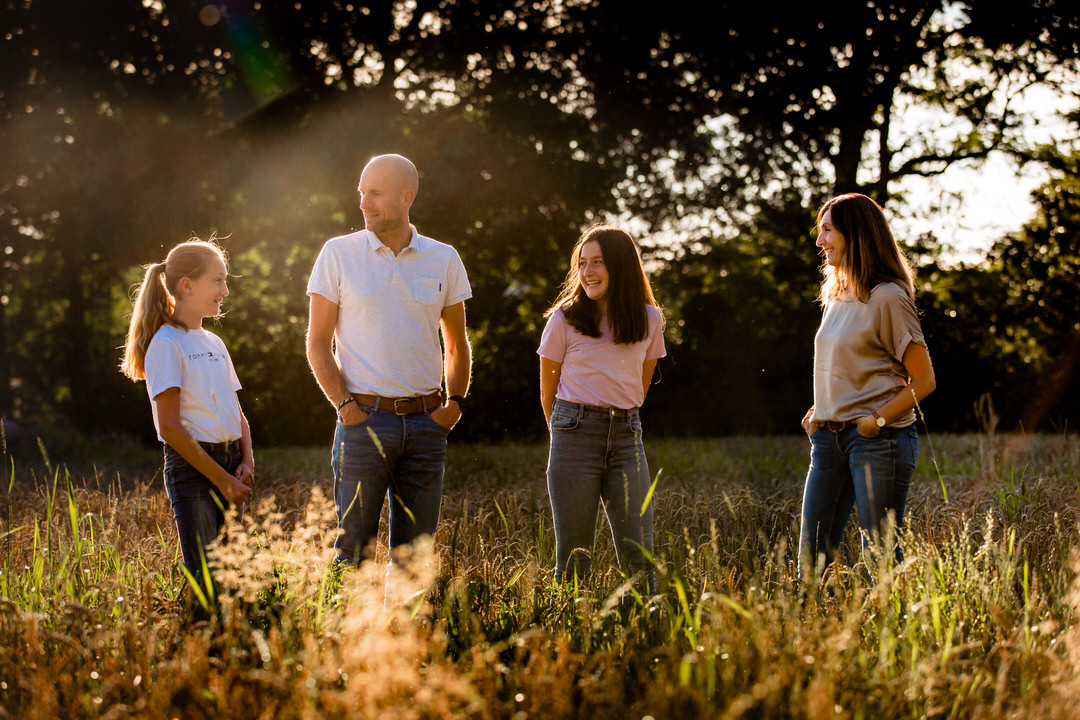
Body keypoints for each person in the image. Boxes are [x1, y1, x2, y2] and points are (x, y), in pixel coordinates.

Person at [306, 153, 472, 567]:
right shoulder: (337, 253)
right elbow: (317, 342)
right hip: (363, 422)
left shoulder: (444, 258)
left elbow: (457, 344)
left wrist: (455, 404)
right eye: (361, 193)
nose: (363, 203)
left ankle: (405, 633)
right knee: (352, 554)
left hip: (426, 424)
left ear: (406, 196)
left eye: (375, 194)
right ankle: (346, 632)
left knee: (414, 558)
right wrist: (345, 407)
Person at [799, 193, 937, 581]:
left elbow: (924, 380)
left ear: (855, 234)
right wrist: (821, 408)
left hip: (879, 440)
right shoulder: (837, 295)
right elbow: (844, 363)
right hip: (828, 439)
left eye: (827, 230)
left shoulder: (888, 296)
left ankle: (891, 636)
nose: (819, 240)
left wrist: (875, 420)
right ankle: (815, 637)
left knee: (878, 556)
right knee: (812, 561)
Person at [538, 224, 666, 589]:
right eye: (582, 263)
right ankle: (569, 639)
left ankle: (643, 637)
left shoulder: (649, 319)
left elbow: (641, 385)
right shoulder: (564, 320)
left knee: (639, 557)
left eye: (598, 262)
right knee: (575, 557)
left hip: (628, 437)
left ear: (621, 266)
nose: (587, 272)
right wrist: (563, 433)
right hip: (573, 435)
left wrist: (619, 416)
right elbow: (548, 391)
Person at [120, 237, 254, 581]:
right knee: (208, 580)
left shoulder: (214, 342)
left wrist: (246, 461)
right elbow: (169, 428)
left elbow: (236, 412)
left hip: (230, 464)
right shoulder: (166, 343)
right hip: (194, 471)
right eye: (218, 280)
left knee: (235, 576)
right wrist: (221, 479)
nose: (225, 290)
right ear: (187, 285)